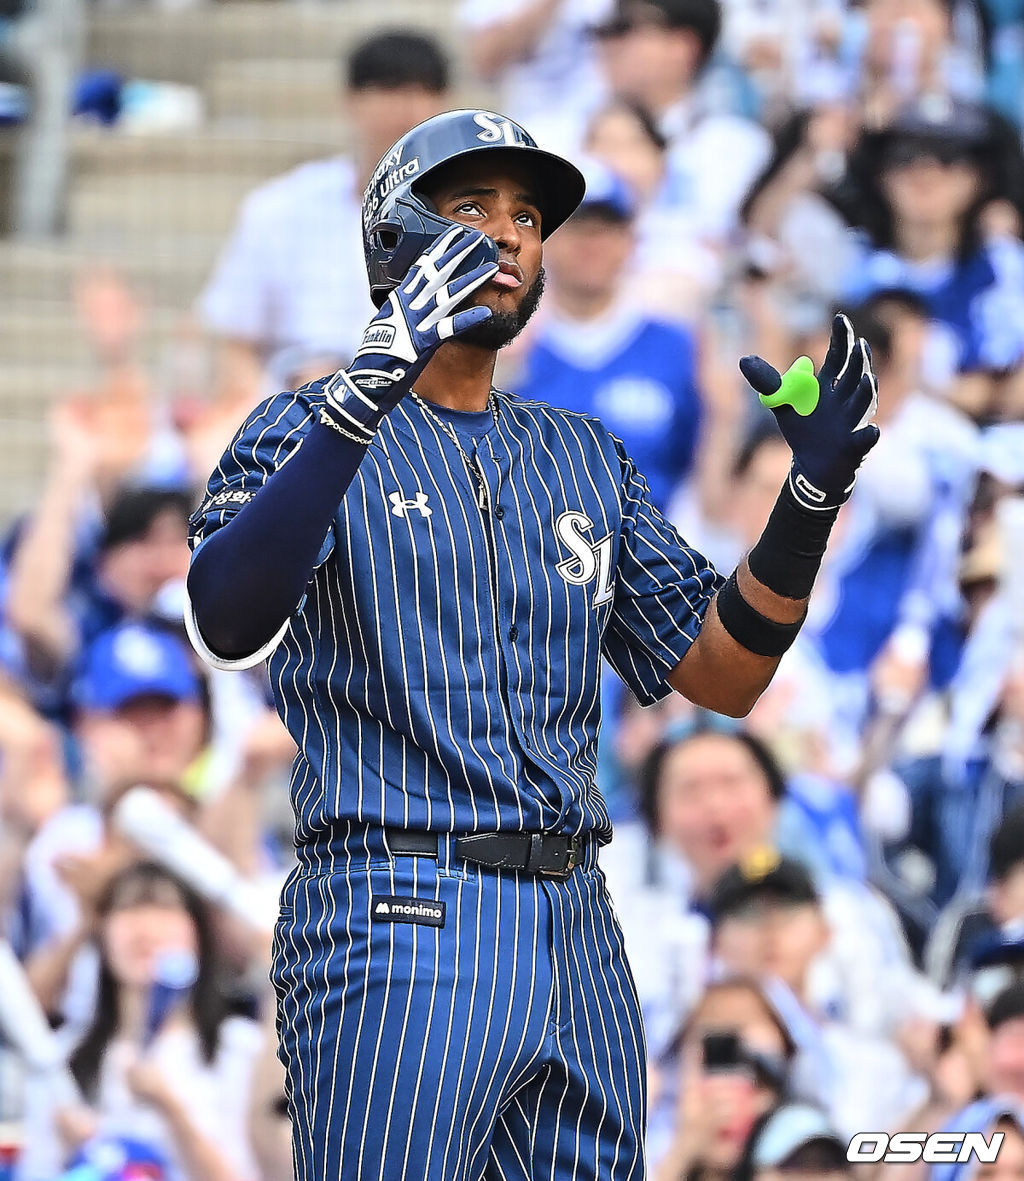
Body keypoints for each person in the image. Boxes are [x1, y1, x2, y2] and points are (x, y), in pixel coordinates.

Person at [184, 106, 879, 1179]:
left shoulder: (581, 453)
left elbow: (721, 671)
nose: (509, 233)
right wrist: (371, 378)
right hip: (396, 904)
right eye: (470, 206)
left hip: (576, 919)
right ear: (393, 238)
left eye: (527, 214)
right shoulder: (299, 424)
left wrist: (805, 501)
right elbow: (229, 619)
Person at [197, 29, 451, 402]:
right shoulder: (280, 207)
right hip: (294, 410)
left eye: (425, 91)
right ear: (351, 100)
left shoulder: (471, 221)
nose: (410, 111)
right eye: (392, 89)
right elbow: (236, 344)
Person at [18, 861, 263, 1181]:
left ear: (198, 931)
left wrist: (171, 1110)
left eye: (164, 908)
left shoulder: (239, 1048)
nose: (145, 928)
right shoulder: (65, 1055)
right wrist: (75, 1156)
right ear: (101, 931)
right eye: (128, 908)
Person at [515, 162, 704, 513]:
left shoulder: (677, 346)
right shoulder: (505, 345)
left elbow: (708, 490)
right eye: (577, 228)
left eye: (606, 229)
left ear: (631, 240)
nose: (592, 244)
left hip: (650, 553)